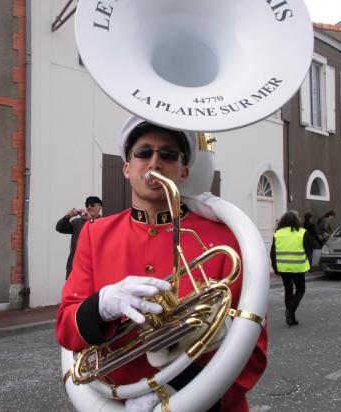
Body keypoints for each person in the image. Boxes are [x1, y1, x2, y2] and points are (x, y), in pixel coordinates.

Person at [56, 116, 267, 411]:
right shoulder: (95, 234)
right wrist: (102, 305)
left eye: (168, 155)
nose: (155, 163)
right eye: (143, 152)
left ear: (184, 171)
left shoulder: (225, 239)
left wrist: (172, 391)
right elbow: (67, 329)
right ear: (127, 169)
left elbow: (251, 349)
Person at [270, 211, 314, 326]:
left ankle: (291, 318)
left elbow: (272, 253)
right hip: (298, 267)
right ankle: (291, 310)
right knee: (300, 289)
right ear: (296, 221)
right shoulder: (302, 233)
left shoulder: (278, 233)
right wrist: (309, 265)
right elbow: (309, 249)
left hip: (283, 267)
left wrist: (275, 268)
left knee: (288, 290)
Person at [55, 196, 102, 278]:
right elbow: (59, 228)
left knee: (93, 291)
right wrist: (67, 216)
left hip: (94, 268)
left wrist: (90, 220)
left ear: (100, 207)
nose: (89, 207)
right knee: (74, 291)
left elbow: (99, 234)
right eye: (87, 205)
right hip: (75, 267)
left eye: (92, 205)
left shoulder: (103, 222)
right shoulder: (77, 222)